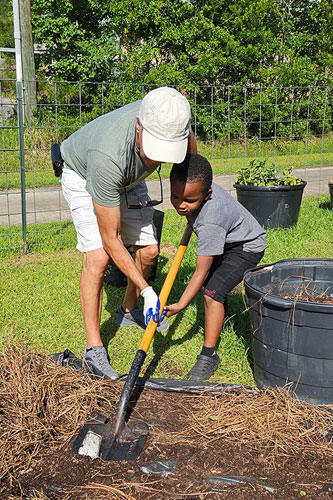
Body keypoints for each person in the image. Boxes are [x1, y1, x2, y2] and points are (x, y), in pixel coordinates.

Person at [59, 87, 197, 379]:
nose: (158, 161)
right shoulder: (106, 156)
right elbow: (111, 239)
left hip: (129, 177)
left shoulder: (171, 119)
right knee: (97, 256)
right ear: (138, 127)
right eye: (156, 149)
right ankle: (94, 349)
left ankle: (127, 310)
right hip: (86, 173)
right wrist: (149, 290)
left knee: (149, 252)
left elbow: (191, 163)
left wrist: (193, 200)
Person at [165, 153, 266, 381]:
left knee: (211, 293)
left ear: (207, 194)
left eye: (189, 201)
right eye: (175, 196)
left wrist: (181, 304)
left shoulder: (210, 220)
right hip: (229, 238)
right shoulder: (199, 189)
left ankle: (209, 356)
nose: (181, 205)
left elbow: (200, 270)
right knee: (214, 286)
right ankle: (223, 319)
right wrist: (192, 213)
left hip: (246, 246)